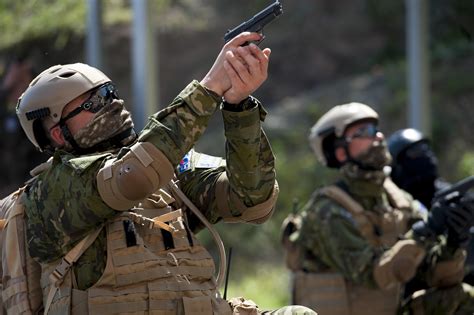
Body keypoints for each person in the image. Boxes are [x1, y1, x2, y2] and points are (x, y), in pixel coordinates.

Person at [6, 32, 315, 314]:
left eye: (110, 92)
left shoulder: (167, 174)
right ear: (59, 135)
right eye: (94, 102)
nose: (112, 103)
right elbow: (132, 176)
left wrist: (238, 107)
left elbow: (253, 200)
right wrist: (210, 88)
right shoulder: (52, 192)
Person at [281, 102, 474, 314]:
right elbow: (372, 275)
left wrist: (454, 240)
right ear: (341, 153)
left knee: (459, 296)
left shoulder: (398, 201)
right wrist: (427, 230)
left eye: (376, 130)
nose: (378, 137)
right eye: (364, 132)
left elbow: (437, 276)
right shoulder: (327, 210)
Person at [388, 128, 474, 287]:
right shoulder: (391, 206)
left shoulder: (448, 195)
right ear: (397, 166)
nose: (426, 155)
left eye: (427, 149)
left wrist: (460, 234)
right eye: (415, 152)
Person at [0, 58, 46, 197]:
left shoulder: (43, 116)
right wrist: (6, 87)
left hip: (34, 190)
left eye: (22, 83)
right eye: (14, 86)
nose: (18, 90)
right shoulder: (7, 119)